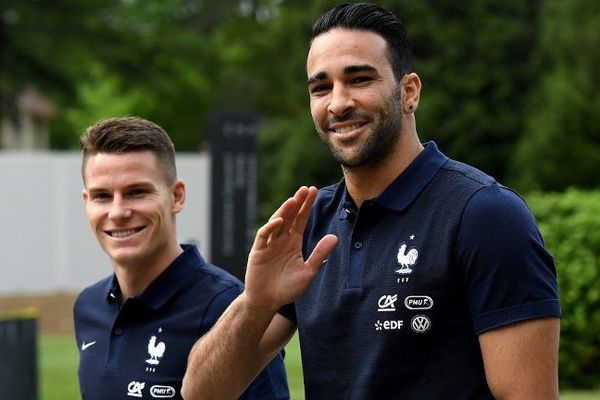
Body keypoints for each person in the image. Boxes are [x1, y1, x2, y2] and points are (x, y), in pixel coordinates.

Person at [181, 3, 561, 400]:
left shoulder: (485, 215)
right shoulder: (310, 224)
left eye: (359, 79)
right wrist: (255, 302)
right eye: (320, 87)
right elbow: (203, 393)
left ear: (409, 91)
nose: (337, 103)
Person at [73, 117, 290, 400]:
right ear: (86, 202)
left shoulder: (229, 307)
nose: (118, 212)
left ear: (176, 196)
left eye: (137, 192)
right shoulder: (88, 307)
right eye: (102, 196)